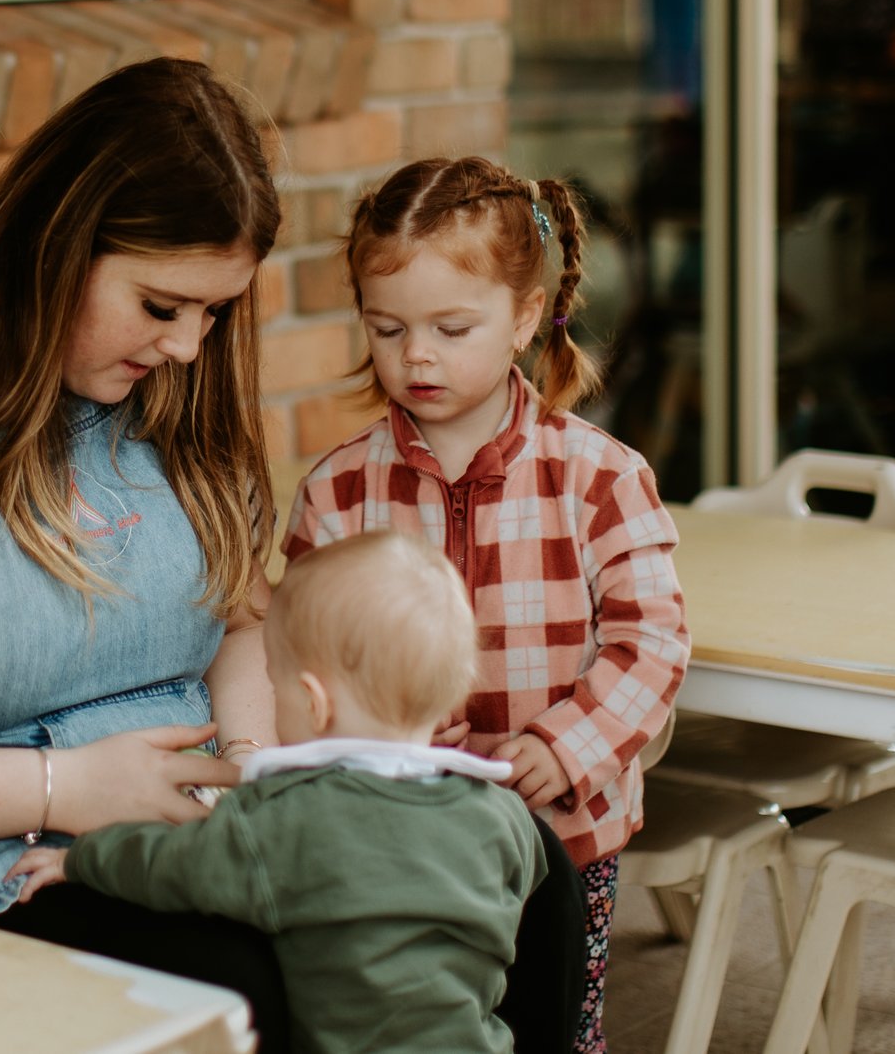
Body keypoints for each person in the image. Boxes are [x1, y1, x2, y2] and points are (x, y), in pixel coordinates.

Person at [0, 60, 586, 1046]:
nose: (186, 344)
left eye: (212, 312)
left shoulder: (155, 399)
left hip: (204, 827)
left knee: (534, 883)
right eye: (162, 305)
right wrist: (65, 788)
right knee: (246, 978)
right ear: (56, 243)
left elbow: (238, 622)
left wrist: (262, 772)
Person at [287, 157, 688, 1054]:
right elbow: (300, 656)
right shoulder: (338, 490)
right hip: (398, 836)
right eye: (386, 327)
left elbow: (652, 641)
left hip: (563, 832)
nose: (415, 354)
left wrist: (564, 744)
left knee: (551, 1025)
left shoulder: (598, 476)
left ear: (524, 316)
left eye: (450, 327)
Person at [10, 530, 549, 1054]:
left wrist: (81, 860)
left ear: (313, 702)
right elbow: (525, 885)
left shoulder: (288, 820)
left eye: (274, 679)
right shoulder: (502, 814)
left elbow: (170, 864)